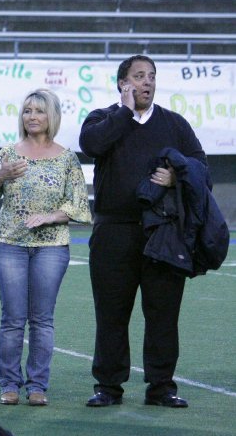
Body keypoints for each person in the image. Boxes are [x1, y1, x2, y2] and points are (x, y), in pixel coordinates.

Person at [79, 54, 205, 409]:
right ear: (123, 84)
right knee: (111, 315)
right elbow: (92, 145)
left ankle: (161, 387)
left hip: (163, 234)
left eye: (151, 76)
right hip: (112, 233)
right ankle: (108, 387)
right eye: (139, 76)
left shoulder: (174, 124)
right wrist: (124, 111)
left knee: (163, 314)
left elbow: (201, 167)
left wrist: (177, 176)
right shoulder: (103, 118)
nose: (147, 82)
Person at [0, 89, 91, 407]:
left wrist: (50, 216)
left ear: (51, 117)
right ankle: (9, 384)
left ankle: (38, 385)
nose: (32, 116)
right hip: (11, 244)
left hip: (52, 247)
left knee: (42, 319)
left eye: (39, 111)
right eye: (27, 110)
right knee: (13, 318)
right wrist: (0, 176)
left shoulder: (67, 158)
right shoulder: (8, 154)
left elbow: (79, 206)